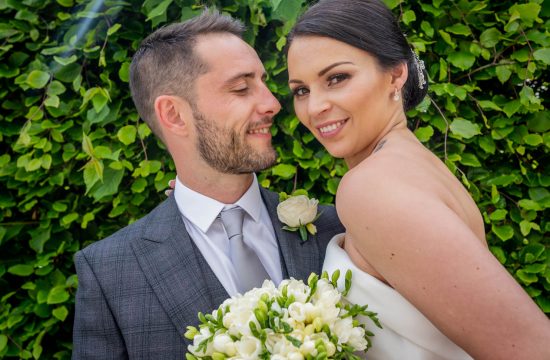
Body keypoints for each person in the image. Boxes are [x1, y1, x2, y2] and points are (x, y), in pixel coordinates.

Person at [71, 11, 344, 359]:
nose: (273, 104)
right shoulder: (111, 271)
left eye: (264, 82)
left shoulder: (336, 229)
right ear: (173, 114)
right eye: (242, 87)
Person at [285, 0, 550, 359]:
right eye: (301, 90)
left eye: (337, 78)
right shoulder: (415, 165)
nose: (314, 107)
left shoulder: (371, 186)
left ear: (396, 75)